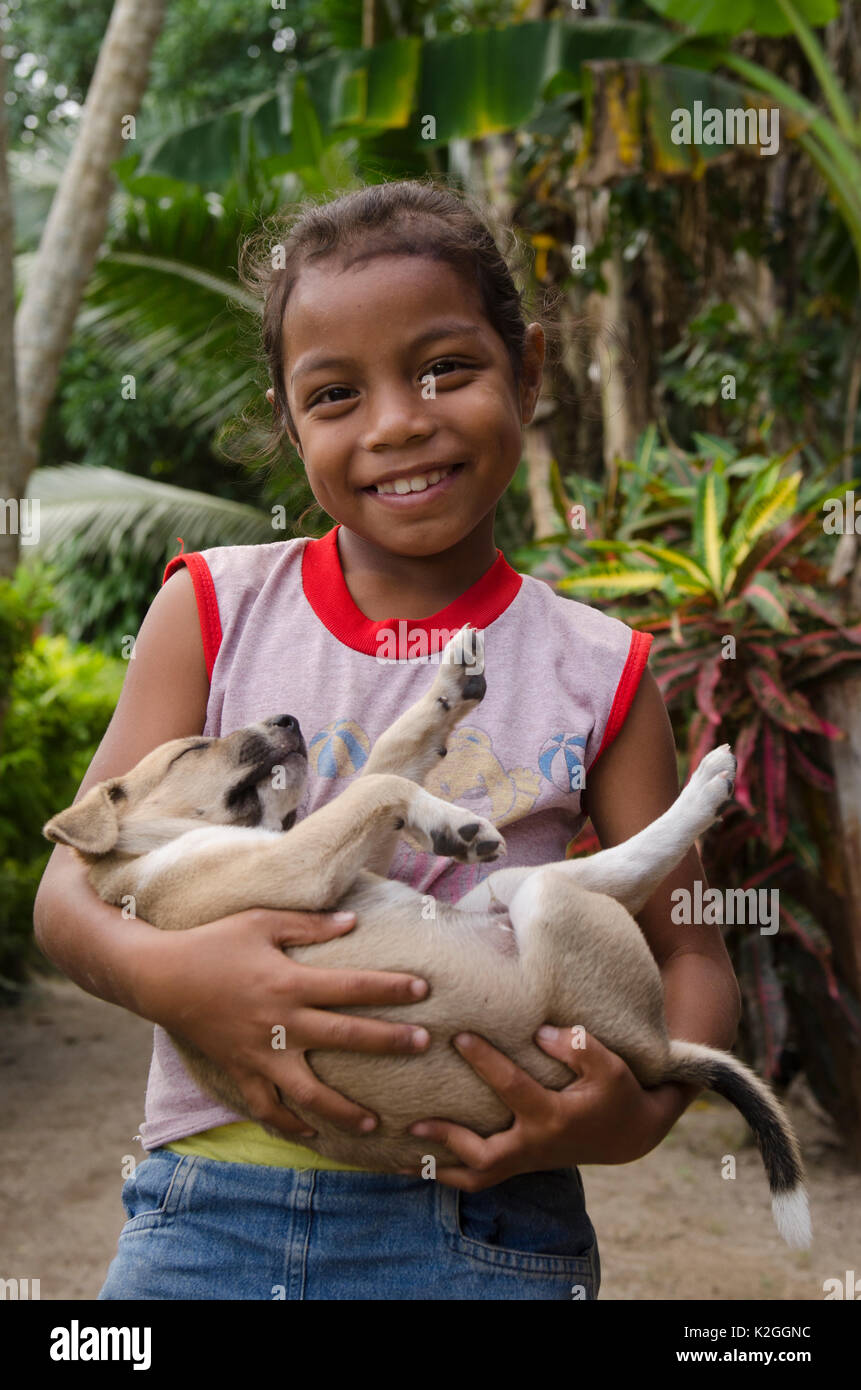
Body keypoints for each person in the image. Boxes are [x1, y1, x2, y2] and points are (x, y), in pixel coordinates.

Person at [34, 177, 742, 1301]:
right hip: (208, 1205)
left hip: (488, 1217)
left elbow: (693, 946)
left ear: (533, 369)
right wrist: (181, 977)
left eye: (445, 369)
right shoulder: (211, 608)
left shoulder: (600, 667)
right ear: (289, 418)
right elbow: (68, 894)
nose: (398, 422)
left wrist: (640, 1112)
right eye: (334, 394)